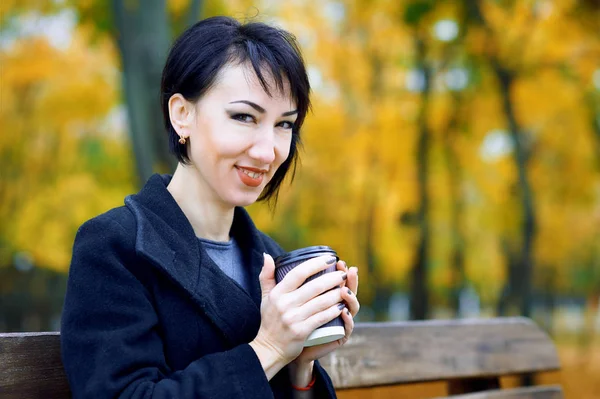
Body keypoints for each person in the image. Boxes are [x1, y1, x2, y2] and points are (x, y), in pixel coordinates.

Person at [60, 16, 360, 398]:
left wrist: (301, 363)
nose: (268, 151)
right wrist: (268, 349)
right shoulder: (114, 247)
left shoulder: (272, 259)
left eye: (285, 125)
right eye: (244, 117)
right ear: (182, 114)